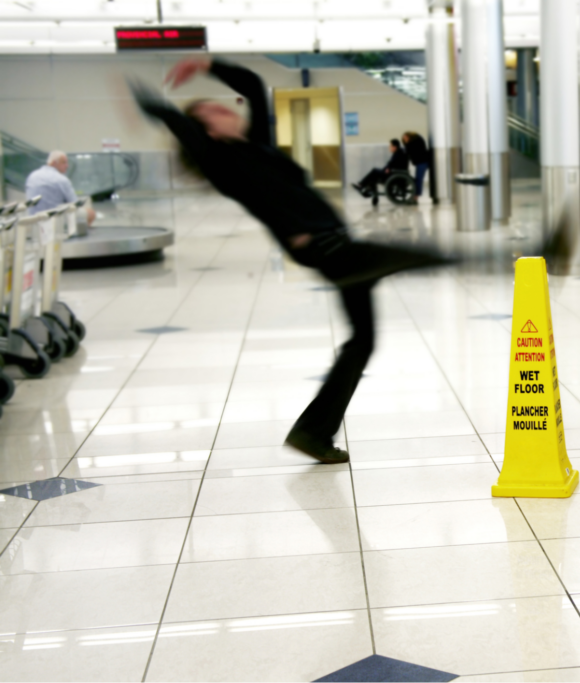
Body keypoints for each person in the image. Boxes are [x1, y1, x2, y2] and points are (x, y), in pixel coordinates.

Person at [130, 58, 449, 464]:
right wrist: (141, 97)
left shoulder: (258, 144)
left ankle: (312, 433)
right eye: (211, 112)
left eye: (221, 104)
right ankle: (533, 253)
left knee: (363, 342)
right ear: (204, 131)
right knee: (432, 256)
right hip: (326, 248)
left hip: (338, 243)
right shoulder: (218, 161)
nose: (225, 109)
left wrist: (207, 64)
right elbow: (167, 114)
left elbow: (252, 82)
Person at [24, 151, 96, 225]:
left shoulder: (32, 176)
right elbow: (75, 205)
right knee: (90, 213)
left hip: (32, 219)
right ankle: (79, 233)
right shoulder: (61, 179)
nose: (67, 166)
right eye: (64, 162)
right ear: (54, 163)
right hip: (55, 220)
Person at [402, 131, 430, 200]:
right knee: (418, 179)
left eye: (406, 138)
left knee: (419, 179)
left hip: (422, 162)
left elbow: (408, 152)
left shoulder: (413, 143)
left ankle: (416, 196)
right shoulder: (417, 140)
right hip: (423, 161)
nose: (405, 140)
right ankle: (416, 195)